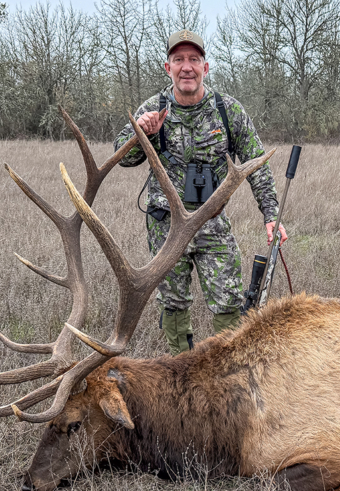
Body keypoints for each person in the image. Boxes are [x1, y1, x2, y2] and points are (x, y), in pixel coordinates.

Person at [113, 29, 287, 356]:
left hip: (213, 225)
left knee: (228, 302)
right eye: (179, 59)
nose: (187, 67)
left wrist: (271, 215)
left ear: (206, 68)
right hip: (166, 228)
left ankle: (228, 374)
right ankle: (183, 378)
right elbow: (121, 157)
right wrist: (142, 134)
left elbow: (257, 164)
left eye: (194, 59)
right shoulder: (152, 109)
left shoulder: (228, 111)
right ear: (168, 68)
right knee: (173, 303)